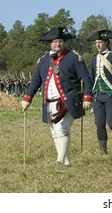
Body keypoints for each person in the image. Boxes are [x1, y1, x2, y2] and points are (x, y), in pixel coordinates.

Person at [21, 27, 93, 166]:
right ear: (50, 43)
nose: (57, 44)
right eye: (54, 42)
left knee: (62, 128)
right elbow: (36, 80)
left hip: (68, 101)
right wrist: (27, 98)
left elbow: (86, 78)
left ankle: (59, 160)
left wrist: (87, 97)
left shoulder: (74, 57)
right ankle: (66, 161)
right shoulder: (43, 60)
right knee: (54, 131)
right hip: (48, 102)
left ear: (64, 42)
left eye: (60, 41)